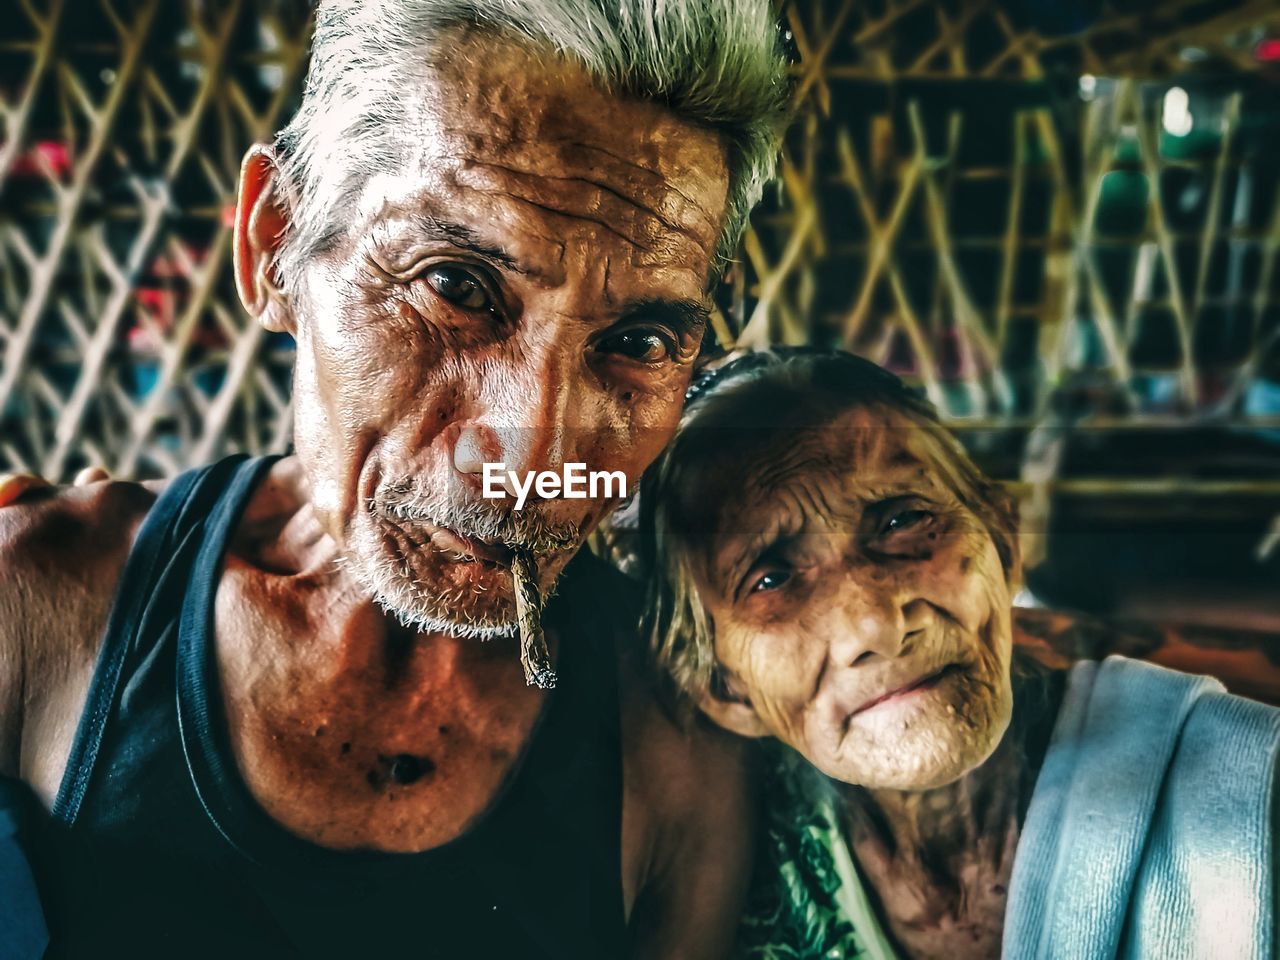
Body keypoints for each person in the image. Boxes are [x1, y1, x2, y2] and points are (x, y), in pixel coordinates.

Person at [0, 2, 792, 956]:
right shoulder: (44, 604)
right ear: (277, 242)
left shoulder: (672, 738)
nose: (534, 449)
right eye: (456, 286)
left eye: (638, 344)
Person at [639, 348, 1280, 959]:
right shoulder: (732, 856)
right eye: (770, 580)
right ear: (725, 690)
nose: (876, 625)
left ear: (1001, 543)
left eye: (900, 521)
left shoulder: (1249, 787)